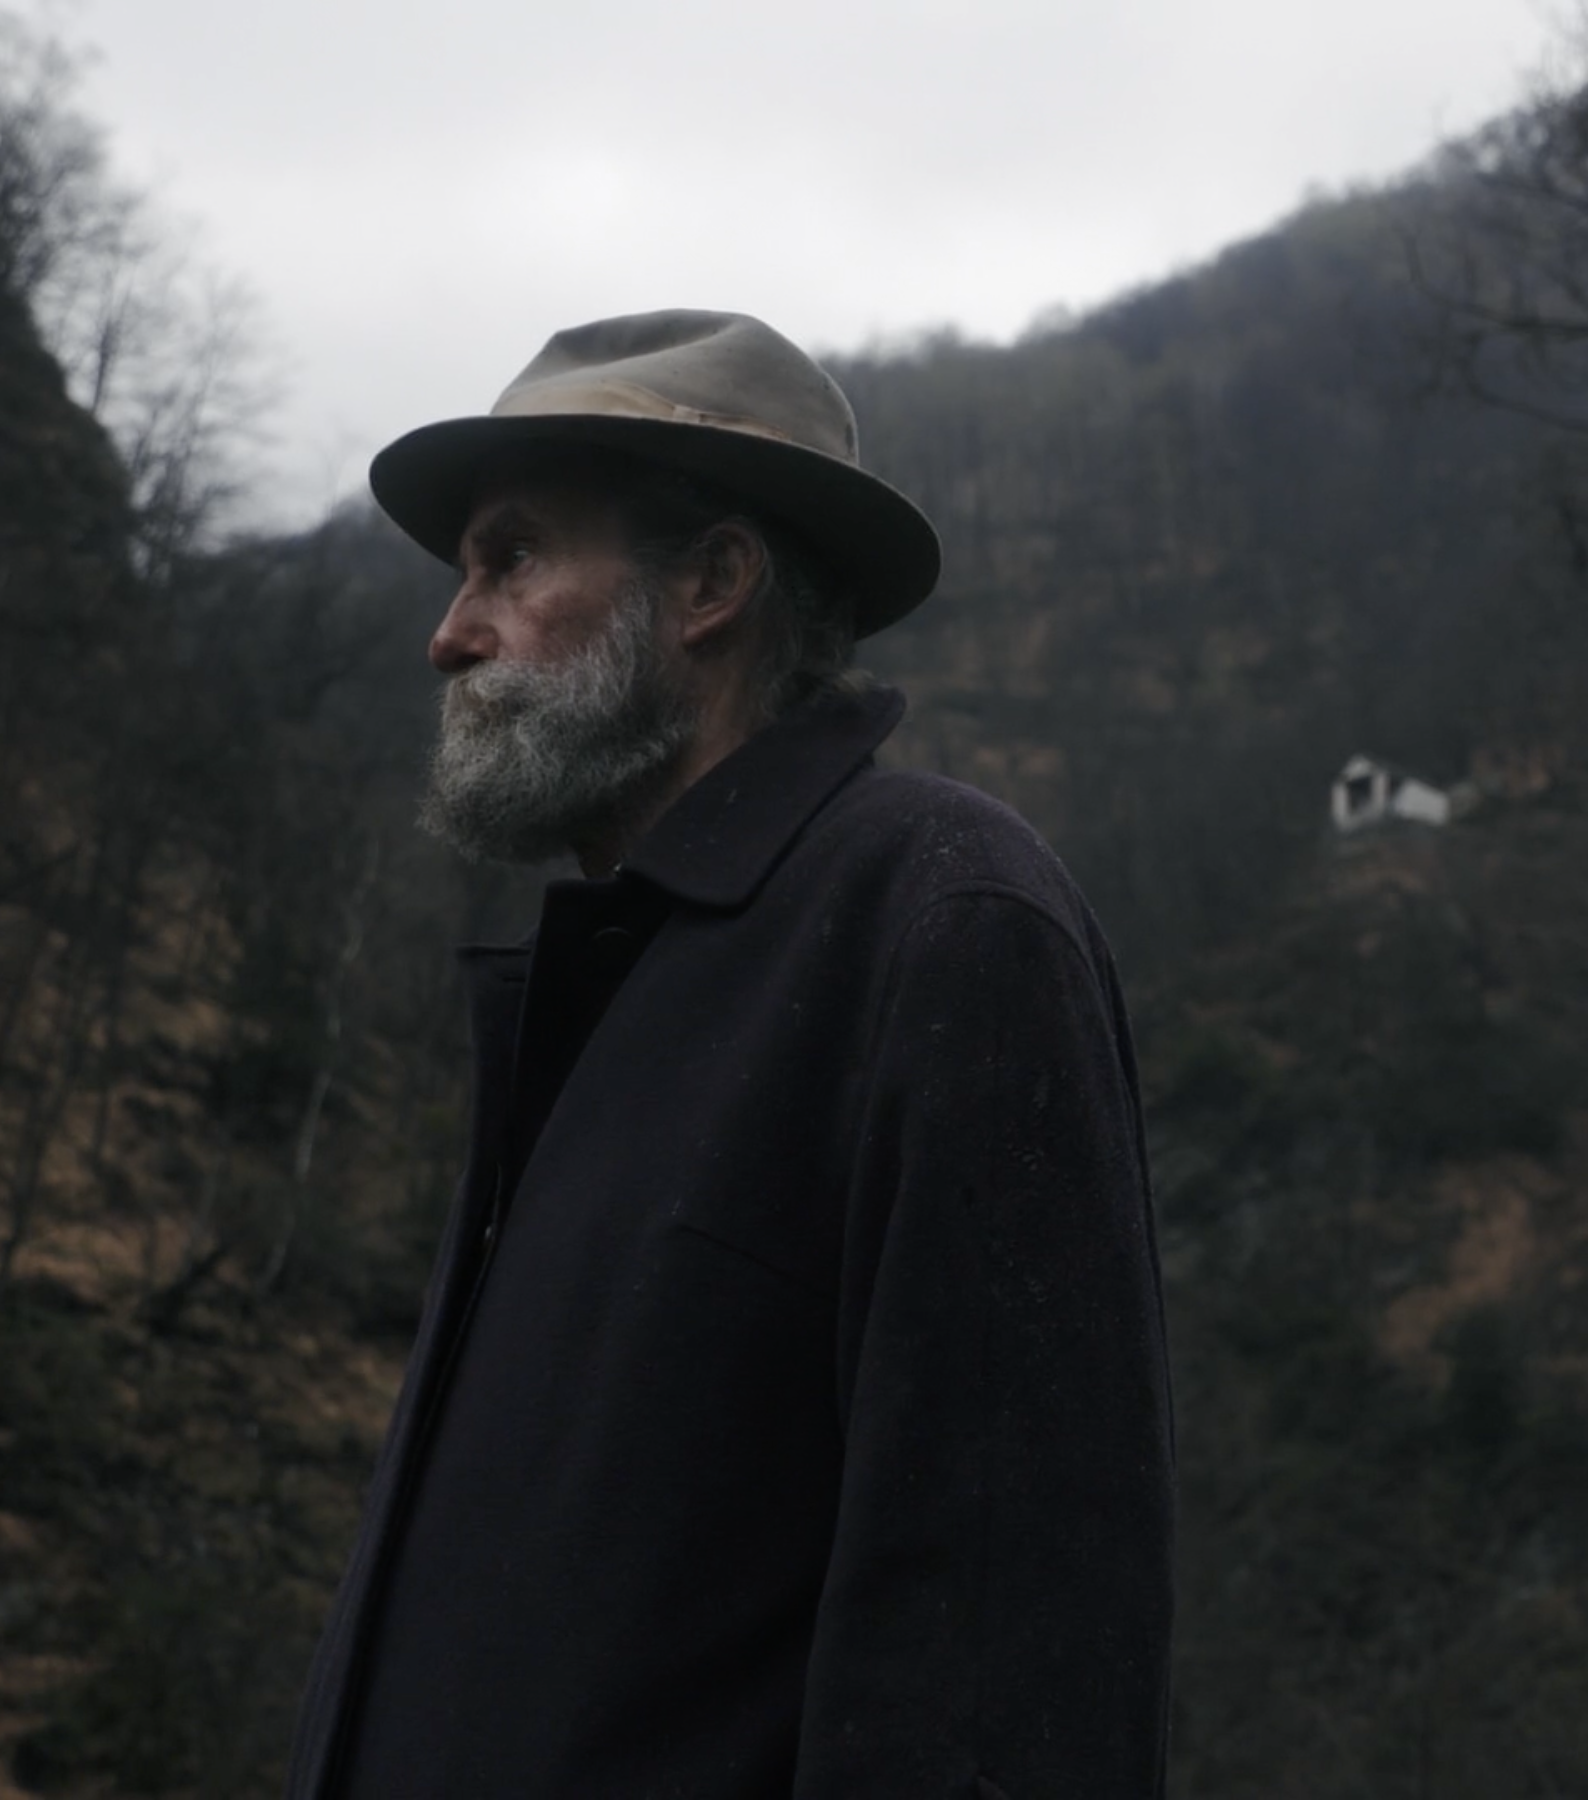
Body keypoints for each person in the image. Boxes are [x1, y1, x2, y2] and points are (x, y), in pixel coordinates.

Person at [285, 311, 1175, 1799]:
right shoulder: (611, 990)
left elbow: (1007, 1659)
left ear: (709, 584)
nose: (449, 633)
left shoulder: (940, 919)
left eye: (511, 559)